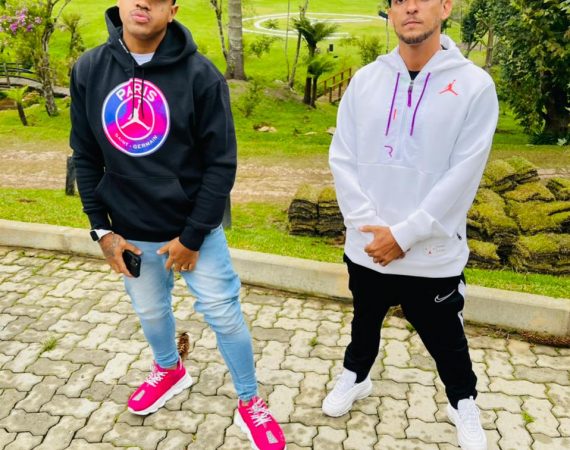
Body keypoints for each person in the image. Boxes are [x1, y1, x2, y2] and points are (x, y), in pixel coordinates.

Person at [70, 1, 286, 448]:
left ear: (172, 9)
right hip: (130, 232)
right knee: (150, 312)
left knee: (225, 316)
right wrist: (102, 231)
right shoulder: (89, 69)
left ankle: (250, 400)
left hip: (194, 232)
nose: (142, 3)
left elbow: (221, 165)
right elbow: (85, 155)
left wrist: (192, 237)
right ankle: (169, 369)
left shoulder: (201, 76)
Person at [324, 1, 498, 449]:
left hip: (431, 253)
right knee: (364, 320)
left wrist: (404, 235)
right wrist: (369, 227)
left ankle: (462, 402)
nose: (411, 7)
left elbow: (464, 175)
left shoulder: (474, 86)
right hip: (368, 246)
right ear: (390, 11)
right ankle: (356, 375)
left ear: (446, 6)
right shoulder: (366, 80)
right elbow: (342, 158)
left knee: (447, 340)